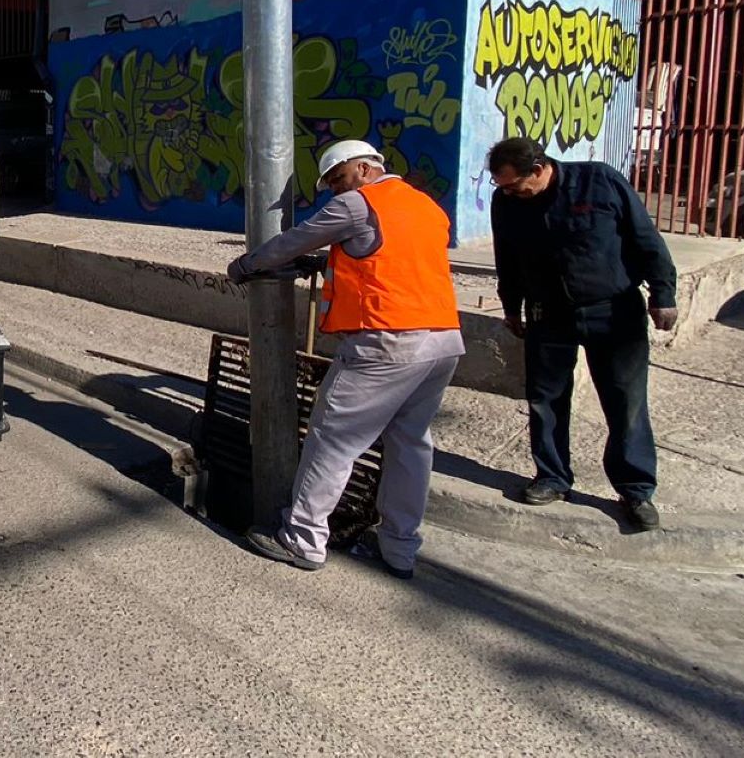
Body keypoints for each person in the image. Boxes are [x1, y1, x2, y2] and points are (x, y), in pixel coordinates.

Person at [227, 139, 465, 580]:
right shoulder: (425, 205)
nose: (335, 189)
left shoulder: (358, 205)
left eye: (338, 178)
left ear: (364, 168)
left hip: (387, 342)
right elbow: (390, 258)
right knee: (410, 444)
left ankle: (302, 539)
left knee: (333, 440)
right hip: (442, 342)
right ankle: (400, 548)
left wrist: (246, 265)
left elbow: (294, 240)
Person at [485, 136, 677, 532]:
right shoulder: (507, 202)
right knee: (546, 399)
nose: (507, 192)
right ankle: (553, 477)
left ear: (538, 170)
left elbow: (645, 237)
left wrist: (663, 293)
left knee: (625, 399)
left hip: (613, 309)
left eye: (512, 184)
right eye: (500, 186)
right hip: (548, 313)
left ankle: (635, 488)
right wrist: (510, 307)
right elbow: (506, 256)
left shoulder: (600, 181)